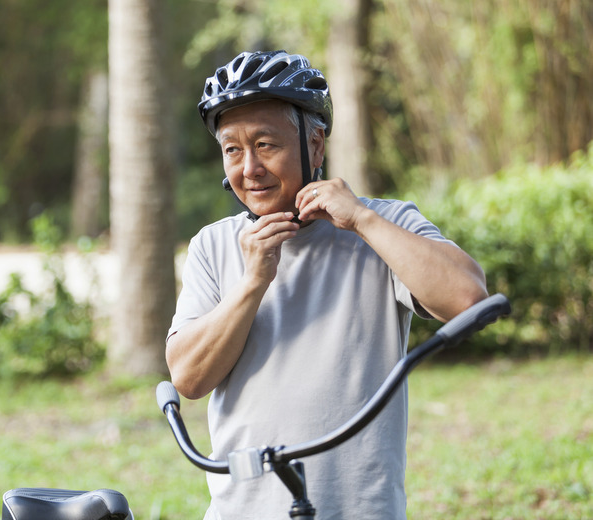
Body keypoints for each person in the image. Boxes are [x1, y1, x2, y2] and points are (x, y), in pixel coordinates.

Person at [165, 50, 488, 520]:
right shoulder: (213, 246)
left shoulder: (384, 225)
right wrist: (254, 280)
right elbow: (189, 378)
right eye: (232, 149)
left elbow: (468, 299)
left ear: (315, 146)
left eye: (266, 144)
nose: (248, 168)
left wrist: (361, 219)